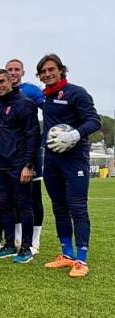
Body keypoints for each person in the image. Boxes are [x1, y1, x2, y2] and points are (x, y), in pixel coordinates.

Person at [37, 54, 100, 278]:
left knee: (77, 207)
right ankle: (67, 255)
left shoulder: (77, 93)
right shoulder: (45, 97)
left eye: (51, 69)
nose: (47, 74)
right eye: (43, 72)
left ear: (61, 70)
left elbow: (94, 120)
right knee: (59, 207)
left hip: (75, 159)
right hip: (52, 159)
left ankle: (81, 260)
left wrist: (75, 134)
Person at [0, 69, 39, 263]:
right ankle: (9, 244)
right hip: (1, 164)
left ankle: (26, 247)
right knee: (5, 205)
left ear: (11, 80)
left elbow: (33, 136)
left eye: (1, 81)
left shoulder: (25, 104)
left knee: (24, 205)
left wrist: (29, 165)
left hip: (20, 164)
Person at [6, 58, 45, 251]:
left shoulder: (31, 90)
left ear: (22, 72)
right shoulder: (2, 94)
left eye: (16, 69)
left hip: (30, 153)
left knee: (33, 196)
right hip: (10, 156)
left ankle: (35, 240)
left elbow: (50, 110)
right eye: (9, 69)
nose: (12, 72)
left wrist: (46, 136)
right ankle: (18, 238)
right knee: (13, 198)